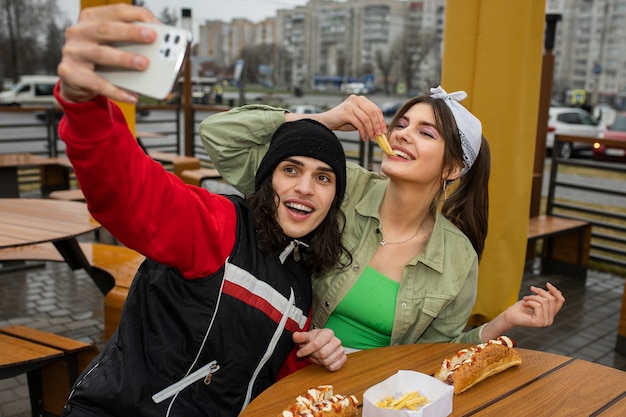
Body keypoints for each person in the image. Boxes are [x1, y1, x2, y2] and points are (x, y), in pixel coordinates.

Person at [55, 4, 348, 417]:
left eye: (323, 178)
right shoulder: (222, 226)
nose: (304, 187)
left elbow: (266, 380)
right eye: (290, 169)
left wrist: (313, 355)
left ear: (334, 199)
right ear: (267, 181)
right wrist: (83, 105)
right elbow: (132, 193)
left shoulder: (301, 286)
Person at [200, 89, 565, 350]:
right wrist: (322, 121)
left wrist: (504, 323)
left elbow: (437, 355)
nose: (402, 133)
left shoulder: (458, 257)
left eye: (425, 132)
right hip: (276, 364)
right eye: (401, 124)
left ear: (452, 168)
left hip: (371, 395)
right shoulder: (340, 184)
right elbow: (219, 137)